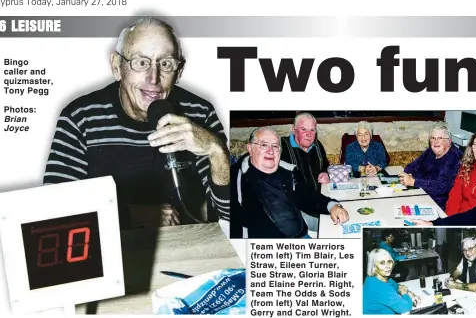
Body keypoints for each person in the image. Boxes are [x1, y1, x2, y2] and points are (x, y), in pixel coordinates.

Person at [43, 17, 230, 230]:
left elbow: (232, 215)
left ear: (178, 71)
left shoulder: (200, 113)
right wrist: (129, 216)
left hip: (186, 248)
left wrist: (216, 151)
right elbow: (54, 212)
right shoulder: (79, 117)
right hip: (111, 249)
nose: (153, 78)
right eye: (141, 62)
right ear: (117, 66)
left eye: (166, 63)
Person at [230, 127, 349, 239]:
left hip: (301, 238)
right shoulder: (234, 177)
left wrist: (332, 205)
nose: (270, 151)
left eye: (275, 146)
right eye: (264, 145)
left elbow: (307, 196)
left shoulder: (288, 171)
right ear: (250, 148)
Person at [280, 112, 330, 231]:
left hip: (321, 199)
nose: (309, 134)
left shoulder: (317, 145)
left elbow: (325, 165)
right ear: (294, 129)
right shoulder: (282, 148)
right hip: (299, 210)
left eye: (312, 130)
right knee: (335, 225)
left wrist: (325, 173)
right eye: (304, 129)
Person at [399, 125, 463, 208]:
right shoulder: (430, 151)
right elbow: (412, 165)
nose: (436, 142)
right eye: (433, 138)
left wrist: (413, 181)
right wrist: (409, 174)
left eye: (440, 138)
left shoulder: (454, 157)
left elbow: (441, 186)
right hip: (420, 194)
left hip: (438, 205)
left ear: (449, 141)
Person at [363, 248, 421, 314]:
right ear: (374, 266)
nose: (388, 266)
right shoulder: (379, 287)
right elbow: (405, 308)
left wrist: (410, 294)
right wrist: (404, 293)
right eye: (382, 263)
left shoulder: (378, 277)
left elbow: (397, 286)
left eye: (389, 261)